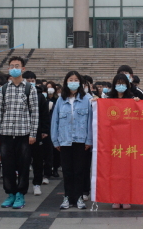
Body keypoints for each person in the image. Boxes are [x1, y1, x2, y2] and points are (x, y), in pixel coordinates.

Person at [0, 56, 39, 210]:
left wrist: (33, 133)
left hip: (23, 134)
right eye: (12, 66)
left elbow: (34, 113)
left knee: (23, 166)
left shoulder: (30, 88)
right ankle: (10, 193)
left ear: (23, 69)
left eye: (17, 66)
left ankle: (20, 194)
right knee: (7, 166)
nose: (14, 68)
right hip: (6, 133)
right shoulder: (3, 89)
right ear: (8, 69)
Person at [51, 71, 93, 210]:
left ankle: (79, 197)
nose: (73, 82)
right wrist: (55, 140)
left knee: (79, 171)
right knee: (67, 171)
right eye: (70, 79)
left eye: (76, 80)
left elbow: (90, 121)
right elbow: (55, 121)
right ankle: (68, 197)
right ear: (66, 82)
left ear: (80, 83)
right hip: (65, 140)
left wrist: (89, 140)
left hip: (81, 141)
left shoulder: (86, 99)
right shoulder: (60, 100)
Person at [105, 73, 140, 209]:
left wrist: (137, 103)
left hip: (128, 142)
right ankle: (115, 198)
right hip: (112, 141)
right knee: (113, 171)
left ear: (128, 85)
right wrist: (96, 101)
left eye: (123, 83)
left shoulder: (132, 99)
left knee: (127, 171)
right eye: (118, 83)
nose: (121, 86)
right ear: (114, 85)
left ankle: (126, 198)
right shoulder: (107, 100)